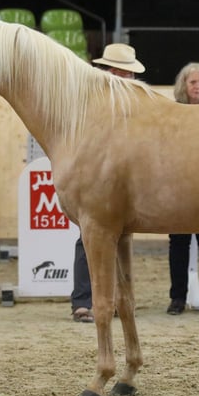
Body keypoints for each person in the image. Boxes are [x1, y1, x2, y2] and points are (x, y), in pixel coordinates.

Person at [70, 43, 145, 323]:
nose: (131, 79)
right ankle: (84, 300)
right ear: (114, 71)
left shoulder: (132, 98)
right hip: (98, 174)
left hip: (122, 175)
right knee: (89, 238)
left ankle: (108, 301)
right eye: (126, 73)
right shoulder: (93, 99)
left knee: (112, 240)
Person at [166, 62, 199, 315]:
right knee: (178, 243)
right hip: (177, 186)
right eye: (193, 82)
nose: (197, 86)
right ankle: (177, 298)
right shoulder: (172, 111)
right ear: (184, 85)